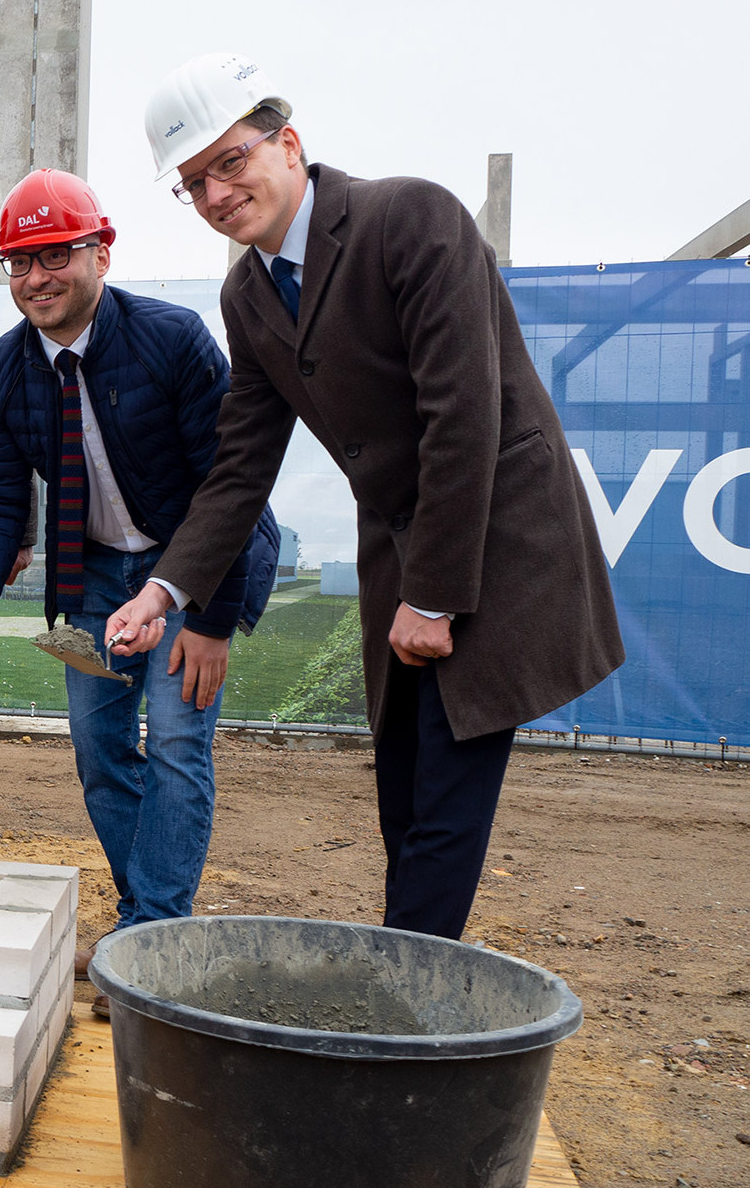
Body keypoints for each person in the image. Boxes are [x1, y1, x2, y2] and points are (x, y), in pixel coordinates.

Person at [105, 53, 623, 940]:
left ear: (288, 141)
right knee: (404, 790)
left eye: (231, 161)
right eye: (194, 183)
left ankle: (406, 1005)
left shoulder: (409, 218)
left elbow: (462, 416)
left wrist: (433, 595)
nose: (218, 193)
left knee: (447, 795)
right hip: (402, 547)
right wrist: (165, 590)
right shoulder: (249, 292)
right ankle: (405, 978)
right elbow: (239, 467)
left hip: (493, 533)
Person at [0, 170, 279, 956]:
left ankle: (150, 934)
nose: (34, 278)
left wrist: (209, 618)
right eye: (18, 262)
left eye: (54, 255)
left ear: (102, 252)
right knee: (98, 752)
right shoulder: (0, 371)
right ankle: (145, 912)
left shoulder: (173, 338)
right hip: (92, 576)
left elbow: (232, 486)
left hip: (193, 564)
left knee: (181, 740)